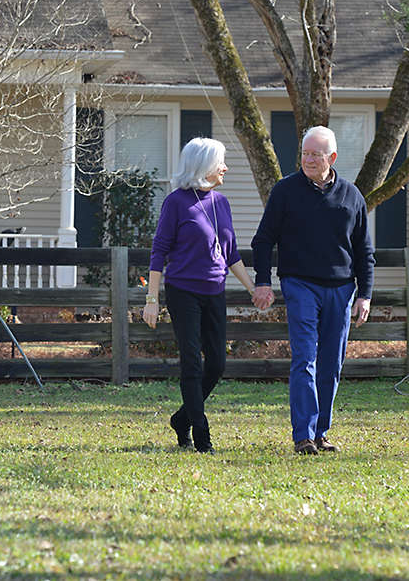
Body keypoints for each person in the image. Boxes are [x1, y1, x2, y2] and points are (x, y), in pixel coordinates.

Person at [251, 125, 374, 455]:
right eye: (304, 153)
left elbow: (364, 251)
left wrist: (365, 294)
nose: (308, 159)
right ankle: (302, 435)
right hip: (300, 284)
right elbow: (262, 240)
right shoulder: (285, 192)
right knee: (305, 358)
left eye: (315, 155)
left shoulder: (352, 196)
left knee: (331, 362)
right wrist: (263, 282)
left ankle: (321, 432)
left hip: (341, 289)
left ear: (332, 158)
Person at [144, 137, 256, 454]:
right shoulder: (176, 202)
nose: (225, 168)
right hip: (182, 292)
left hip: (214, 291)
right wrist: (151, 301)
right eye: (221, 161)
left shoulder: (221, 203)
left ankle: (181, 419)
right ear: (205, 166)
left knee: (217, 364)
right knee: (192, 362)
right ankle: (201, 434)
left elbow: (231, 253)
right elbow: (158, 253)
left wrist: (253, 289)